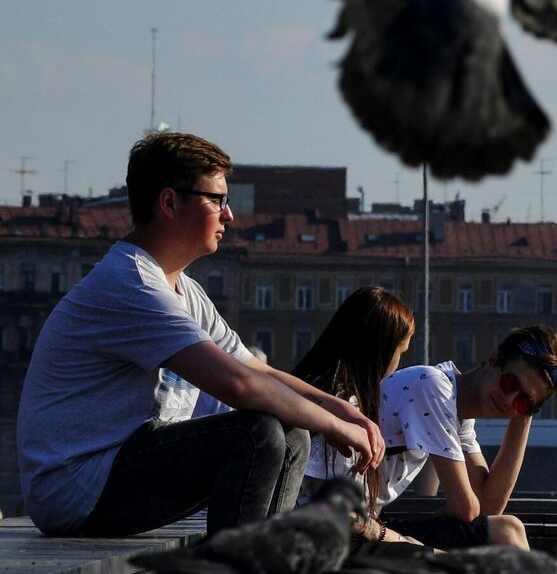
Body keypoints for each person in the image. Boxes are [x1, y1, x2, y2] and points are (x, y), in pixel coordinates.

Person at [15, 133, 381, 537]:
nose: (230, 216)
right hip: (75, 487)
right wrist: (335, 427)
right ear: (169, 202)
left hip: (115, 469)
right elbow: (240, 386)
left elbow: (255, 370)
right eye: (218, 200)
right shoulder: (131, 284)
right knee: (255, 434)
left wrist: (339, 409)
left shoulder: (183, 289)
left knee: (292, 431)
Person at [372, 325, 557, 551]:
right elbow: (467, 509)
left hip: (368, 522)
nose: (508, 399)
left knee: (507, 530)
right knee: (507, 531)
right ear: (492, 360)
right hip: (349, 523)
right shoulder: (433, 386)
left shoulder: (459, 414)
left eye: (522, 401)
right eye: (510, 383)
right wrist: (460, 510)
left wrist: (524, 415)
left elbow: (488, 506)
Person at [293, 287, 415, 510]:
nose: (399, 363)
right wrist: (392, 536)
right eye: (401, 353)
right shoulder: (345, 402)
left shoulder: (312, 384)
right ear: (382, 351)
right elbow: (335, 511)